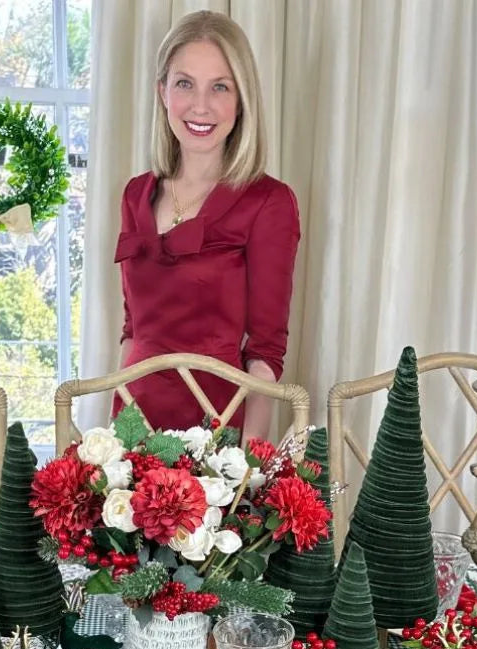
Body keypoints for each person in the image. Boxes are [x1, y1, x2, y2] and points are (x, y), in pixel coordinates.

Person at [114, 10, 300, 439]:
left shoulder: (268, 202)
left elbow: (266, 355)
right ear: (162, 92)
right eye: (185, 84)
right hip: (131, 429)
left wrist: (246, 471)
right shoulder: (135, 195)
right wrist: (116, 441)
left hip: (217, 433)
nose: (200, 105)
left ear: (241, 99)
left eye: (220, 86)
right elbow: (132, 332)